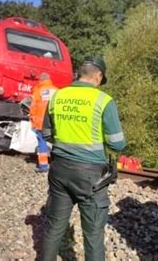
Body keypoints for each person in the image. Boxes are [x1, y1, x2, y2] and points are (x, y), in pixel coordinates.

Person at [41, 57, 126, 260]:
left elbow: (46, 133)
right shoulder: (103, 100)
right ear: (98, 76)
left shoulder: (57, 97)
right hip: (91, 176)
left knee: (53, 229)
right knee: (94, 235)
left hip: (59, 169)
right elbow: (117, 144)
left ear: (79, 73)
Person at [30, 73, 58, 172]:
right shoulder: (56, 90)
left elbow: (33, 108)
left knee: (42, 142)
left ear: (40, 80)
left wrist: (32, 122)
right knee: (57, 142)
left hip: (41, 122)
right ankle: (56, 165)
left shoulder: (38, 90)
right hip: (55, 121)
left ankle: (43, 166)